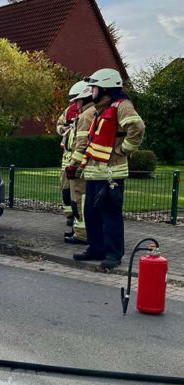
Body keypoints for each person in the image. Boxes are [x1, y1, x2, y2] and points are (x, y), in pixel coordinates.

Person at [69, 68, 145, 269]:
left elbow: (137, 128)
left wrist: (123, 150)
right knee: (92, 215)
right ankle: (96, 249)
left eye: (94, 87)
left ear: (105, 88)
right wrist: (75, 164)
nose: (91, 91)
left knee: (110, 216)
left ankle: (113, 254)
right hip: (94, 174)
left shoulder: (122, 106)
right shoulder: (101, 109)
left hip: (111, 175)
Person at [63, 83, 95, 245]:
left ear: (85, 99)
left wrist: (73, 165)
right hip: (88, 165)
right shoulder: (92, 112)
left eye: (78, 101)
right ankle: (79, 230)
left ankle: (82, 234)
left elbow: (81, 144)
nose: (76, 104)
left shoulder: (86, 115)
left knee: (79, 200)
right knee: (79, 199)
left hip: (80, 167)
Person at [58, 81, 88, 226]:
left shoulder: (88, 114)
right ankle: (69, 215)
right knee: (65, 189)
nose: (75, 103)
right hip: (67, 157)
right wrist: (63, 129)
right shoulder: (68, 110)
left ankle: (78, 219)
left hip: (77, 159)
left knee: (77, 192)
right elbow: (59, 125)